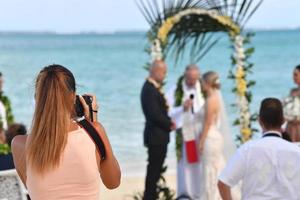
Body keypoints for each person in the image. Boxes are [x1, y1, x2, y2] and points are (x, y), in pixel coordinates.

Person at [11, 65, 121, 199]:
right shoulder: (94, 133)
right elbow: (113, 182)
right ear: (74, 97)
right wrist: (91, 125)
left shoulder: (19, 145)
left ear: (36, 99)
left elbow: (37, 191)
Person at [218, 98, 300, 200]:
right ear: (283, 121)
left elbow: (223, 184)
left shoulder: (248, 149)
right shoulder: (296, 151)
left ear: (260, 121)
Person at [166, 64, 205, 199]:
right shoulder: (175, 89)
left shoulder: (203, 89)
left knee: (200, 163)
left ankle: (199, 192)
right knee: (185, 164)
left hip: (200, 131)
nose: (192, 82)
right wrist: (181, 108)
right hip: (183, 132)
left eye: (195, 79)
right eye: (189, 79)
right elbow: (167, 112)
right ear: (185, 75)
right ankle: (185, 193)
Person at [198, 71, 237, 200]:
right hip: (215, 136)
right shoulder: (215, 97)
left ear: (208, 83)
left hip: (210, 138)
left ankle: (213, 196)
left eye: (202, 82)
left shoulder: (211, 100)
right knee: (216, 166)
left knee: (210, 168)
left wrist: (201, 141)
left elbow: (208, 123)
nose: (201, 84)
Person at [141, 60, 176, 200]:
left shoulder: (152, 87)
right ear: (155, 71)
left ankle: (151, 196)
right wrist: (169, 124)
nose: (165, 75)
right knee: (153, 172)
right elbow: (154, 114)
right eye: (163, 72)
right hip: (156, 136)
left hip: (158, 136)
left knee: (154, 172)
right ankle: (149, 197)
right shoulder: (149, 89)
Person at [283, 65, 300, 142]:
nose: (293, 77)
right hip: (290, 127)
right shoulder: (293, 91)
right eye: (293, 75)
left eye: (296, 75)